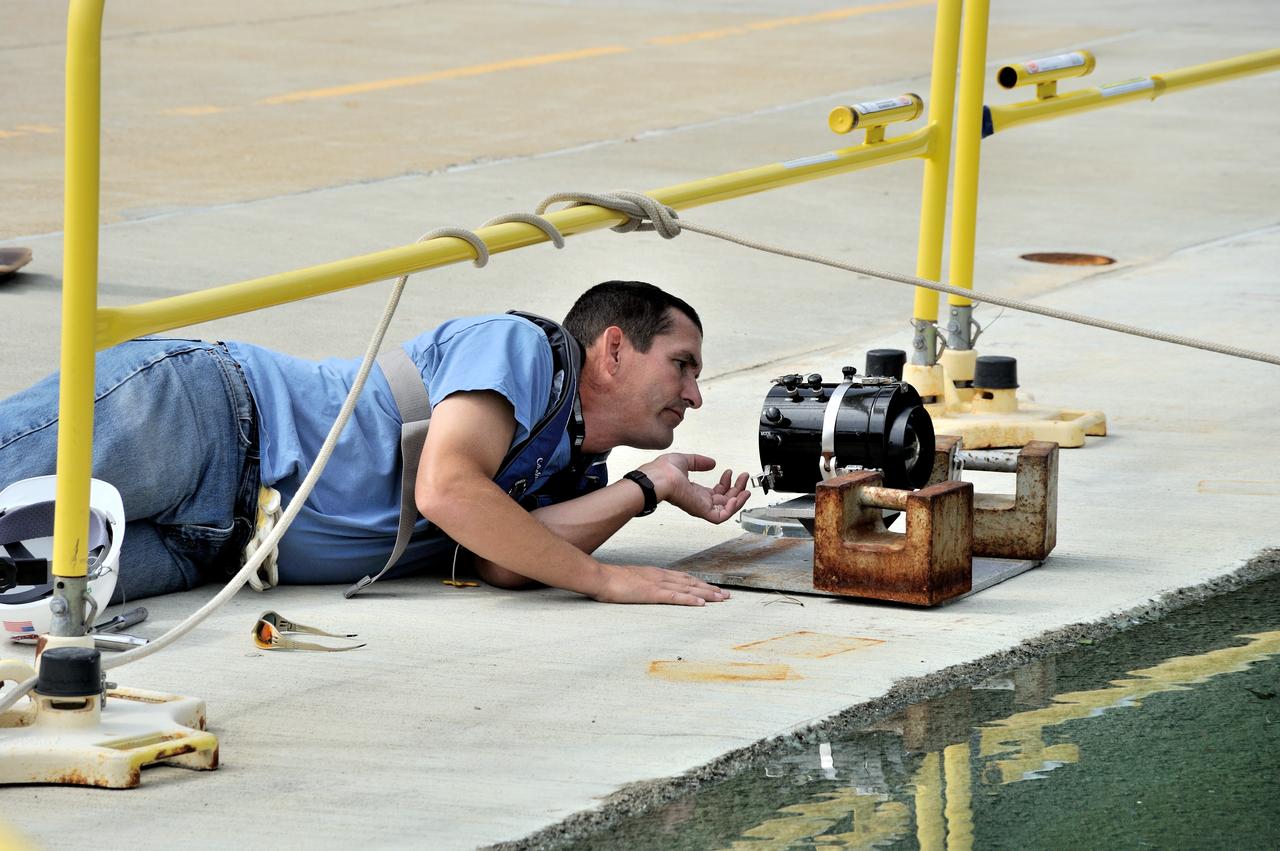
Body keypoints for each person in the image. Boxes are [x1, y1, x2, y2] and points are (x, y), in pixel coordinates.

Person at [0, 281, 751, 607]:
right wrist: (607, 579)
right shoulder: (525, 351)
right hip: (212, 425)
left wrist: (647, 487)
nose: (693, 393)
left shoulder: (567, 459)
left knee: (21, 594)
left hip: (217, 546)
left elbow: (505, 557)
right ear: (614, 350)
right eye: (681, 364)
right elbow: (447, 489)